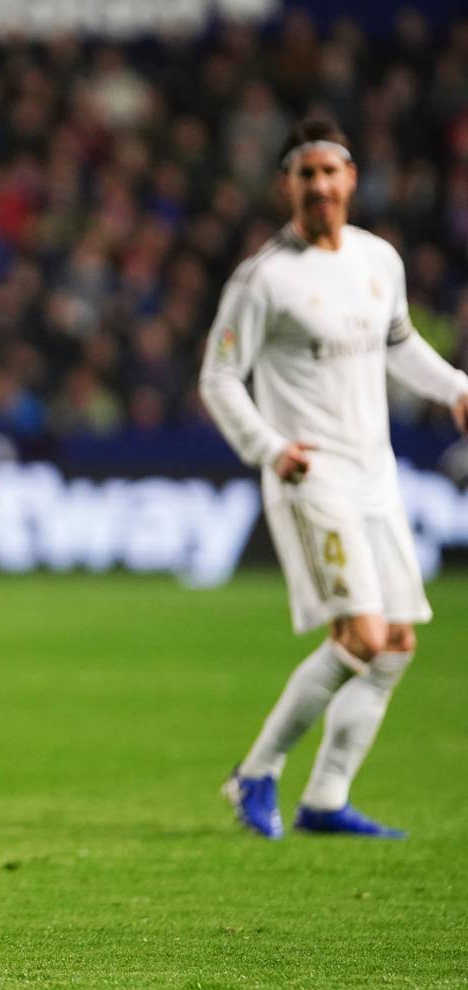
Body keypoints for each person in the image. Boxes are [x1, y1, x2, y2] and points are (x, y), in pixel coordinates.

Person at [200, 115, 468, 840]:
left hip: (375, 473)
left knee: (396, 642)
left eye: (329, 171)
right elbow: (218, 377)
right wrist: (269, 447)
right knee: (360, 634)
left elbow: (398, 344)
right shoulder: (264, 278)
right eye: (305, 174)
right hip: (311, 474)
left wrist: (454, 388)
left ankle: (326, 798)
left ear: (351, 178)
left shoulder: (379, 259)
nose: (319, 185)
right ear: (286, 185)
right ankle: (256, 772)